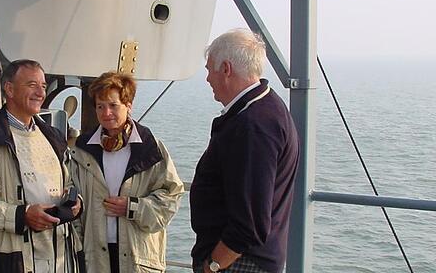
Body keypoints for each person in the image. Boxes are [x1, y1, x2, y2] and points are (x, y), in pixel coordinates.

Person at [190, 29, 300, 273]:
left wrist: (214, 265)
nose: (207, 78)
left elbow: (249, 223)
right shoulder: (267, 108)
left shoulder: (253, 126)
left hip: (240, 263)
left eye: (210, 69)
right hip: (245, 259)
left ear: (226, 69)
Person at [0, 59, 82, 272]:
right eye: (32, 85)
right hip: (11, 262)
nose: (41, 93)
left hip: (60, 259)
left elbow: (70, 181)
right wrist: (21, 215)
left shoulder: (53, 138)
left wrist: (75, 201)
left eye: (43, 86)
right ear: (9, 89)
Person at [70, 71, 184, 273]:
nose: (106, 113)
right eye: (100, 106)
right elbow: (71, 195)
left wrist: (133, 208)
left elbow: (171, 197)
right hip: (93, 257)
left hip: (137, 258)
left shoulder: (150, 149)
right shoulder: (81, 150)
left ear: (128, 105)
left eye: (113, 105)